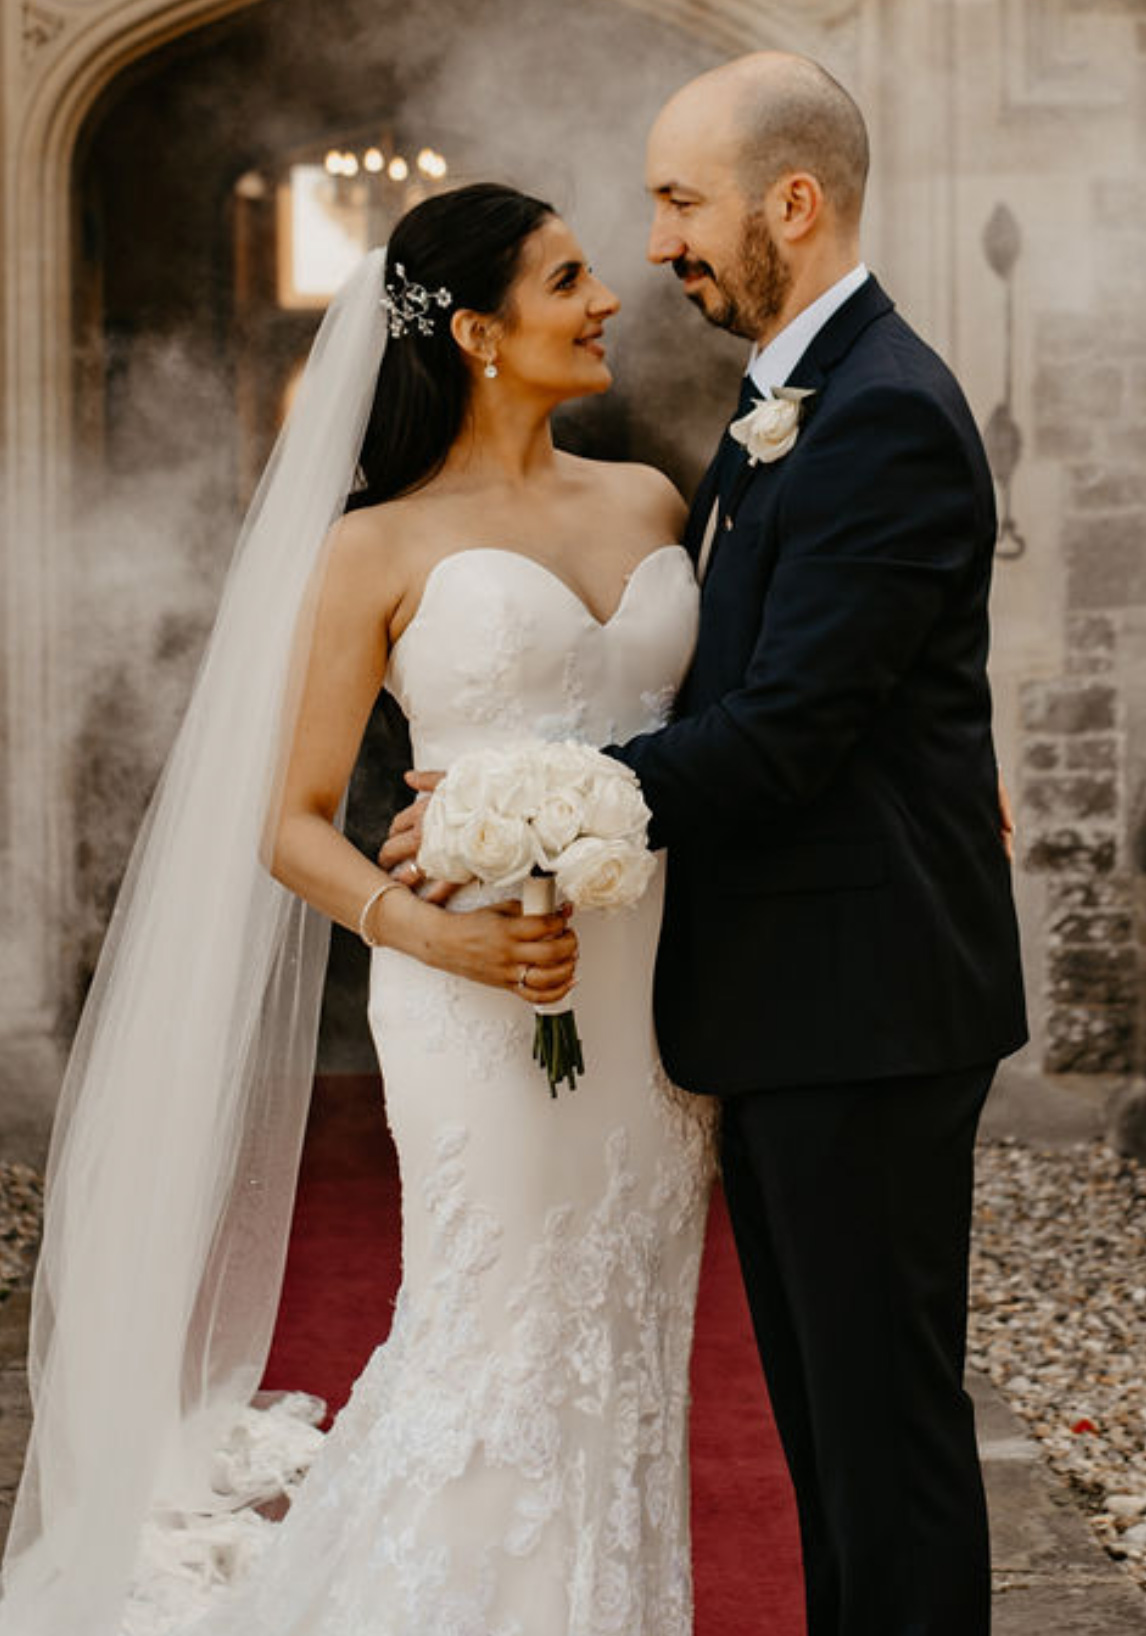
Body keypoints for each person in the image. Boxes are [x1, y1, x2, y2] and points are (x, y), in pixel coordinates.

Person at [0, 183, 716, 1636]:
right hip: (468, 997)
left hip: (646, 994)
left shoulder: (649, 501)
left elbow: (740, 727)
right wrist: (443, 935)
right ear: (479, 332)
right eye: (568, 279)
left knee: (628, 1332)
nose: (606, 300)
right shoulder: (371, 548)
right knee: (497, 1332)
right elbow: (290, 823)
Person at [386, 52, 1028, 1636]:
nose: (657, 243)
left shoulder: (878, 413)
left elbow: (785, 732)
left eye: (681, 203)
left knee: (881, 1442)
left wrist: (504, 809)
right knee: (832, 1438)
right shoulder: (789, 401)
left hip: (864, 999)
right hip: (802, 992)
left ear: (789, 204)